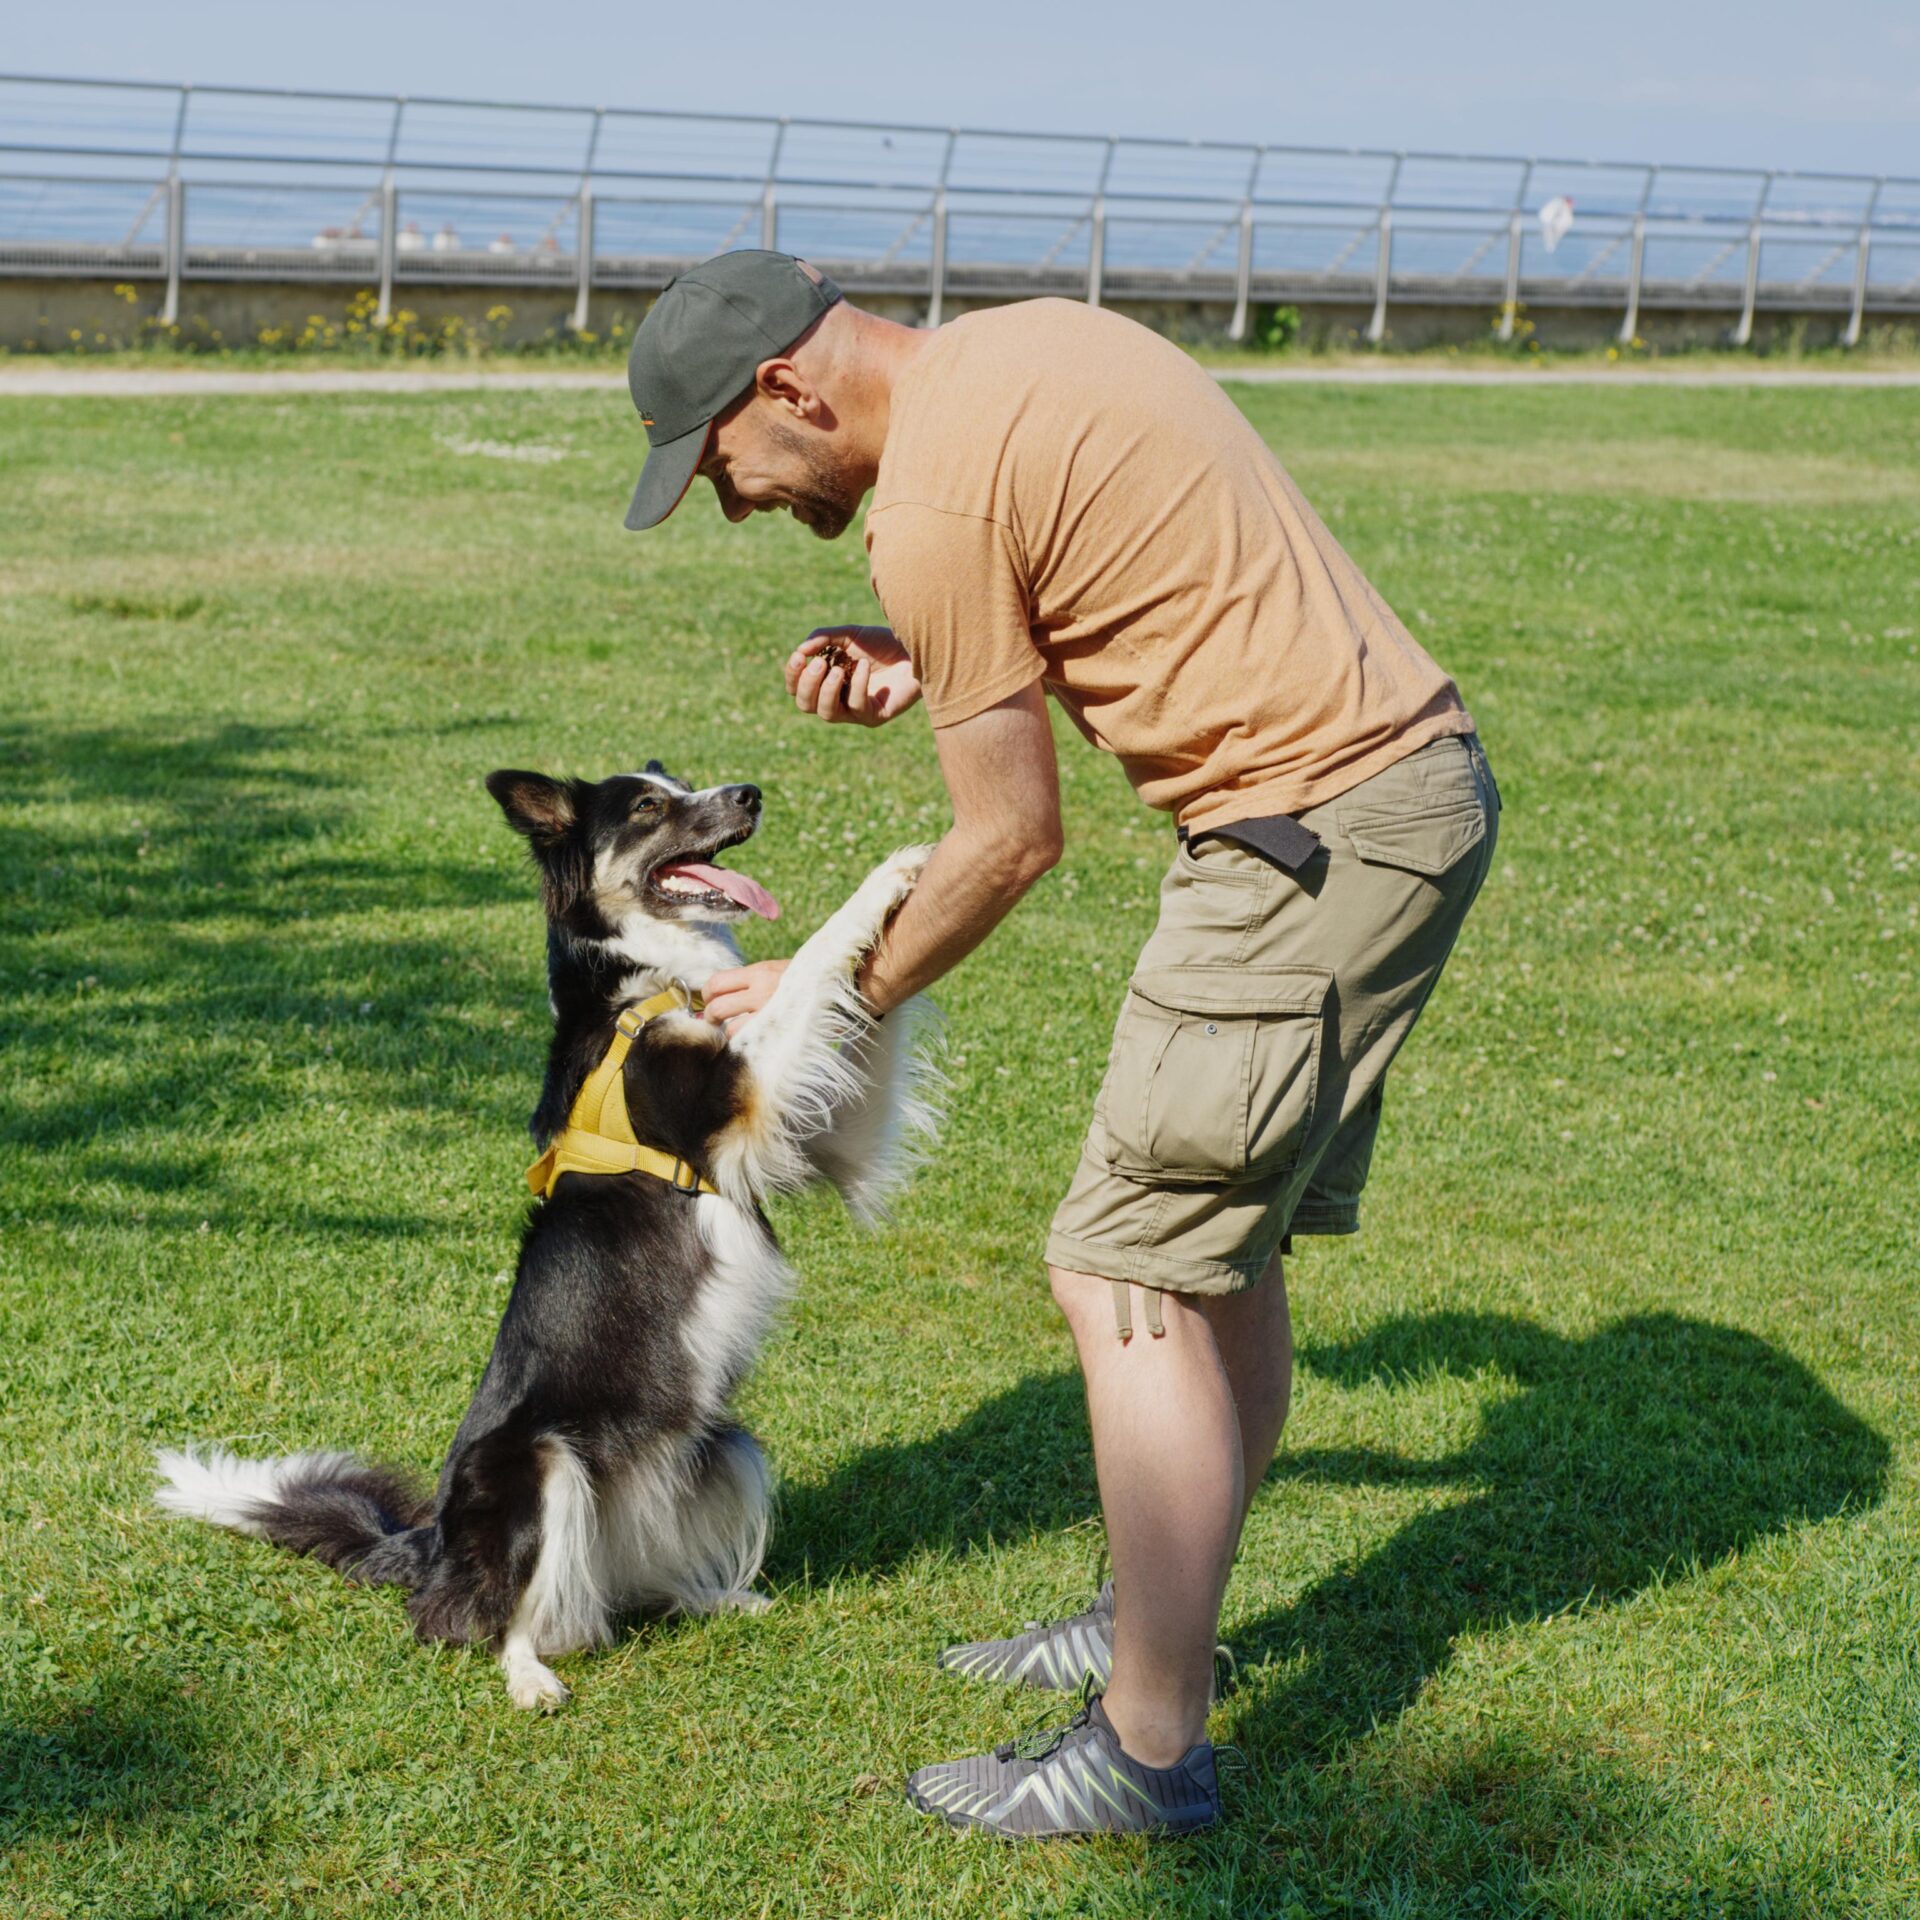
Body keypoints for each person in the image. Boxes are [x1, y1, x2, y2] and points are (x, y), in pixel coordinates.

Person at [620, 250, 1499, 1838]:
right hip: (1391, 803)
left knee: (1125, 1271)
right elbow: (1130, 555)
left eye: (722, 465)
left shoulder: (931, 504)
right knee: (1211, 1256)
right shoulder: (1024, 346)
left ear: (789, 389)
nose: (738, 507)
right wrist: (946, 651)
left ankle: (1146, 1751)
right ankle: (1149, 1622)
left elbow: (1009, 839)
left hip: (1308, 841)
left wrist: (829, 991)